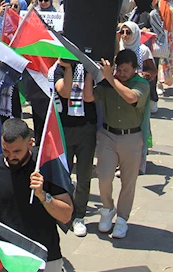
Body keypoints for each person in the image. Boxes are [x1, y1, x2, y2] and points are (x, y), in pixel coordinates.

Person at [0, 119, 73, 272]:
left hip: (46, 256)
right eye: (6, 150)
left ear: (30, 143)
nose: (11, 156)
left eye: (17, 151)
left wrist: (43, 196)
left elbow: (66, 215)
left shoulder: (47, 165)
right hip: (9, 257)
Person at [94, 49, 150, 238]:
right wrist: (88, 73)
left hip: (131, 137)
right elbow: (89, 97)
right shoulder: (109, 81)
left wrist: (111, 79)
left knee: (128, 181)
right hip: (108, 135)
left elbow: (131, 97)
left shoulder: (141, 84)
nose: (122, 74)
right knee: (104, 176)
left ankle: (122, 218)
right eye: (120, 69)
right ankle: (107, 208)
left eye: (126, 70)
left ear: (135, 69)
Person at [51, 59, 95, 237]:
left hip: (87, 126)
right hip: (65, 128)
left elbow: (89, 95)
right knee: (64, 173)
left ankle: (79, 216)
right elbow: (65, 91)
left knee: (84, 174)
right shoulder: (58, 68)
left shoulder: (90, 65)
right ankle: (65, 212)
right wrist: (68, 68)